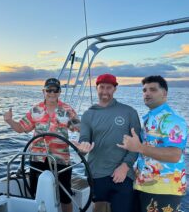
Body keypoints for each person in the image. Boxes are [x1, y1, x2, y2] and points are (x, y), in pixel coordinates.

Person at [3, 78, 79, 212]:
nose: (52, 93)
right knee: (36, 194)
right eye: (48, 90)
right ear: (43, 91)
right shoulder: (35, 110)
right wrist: (9, 121)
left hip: (61, 159)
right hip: (37, 158)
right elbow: (21, 128)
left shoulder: (67, 110)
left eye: (55, 90)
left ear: (60, 92)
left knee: (65, 196)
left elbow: (79, 128)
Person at [117, 75, 188, 212]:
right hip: (144, 184)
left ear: (164, 93)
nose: (147, 93)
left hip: (164, 189)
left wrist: (139, 147)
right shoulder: (151, 118)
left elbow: (174, 155)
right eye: (144, 90)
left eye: (153, 89)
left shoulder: (172, 119)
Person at [74, 73, 141, 212]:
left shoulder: (129, 112)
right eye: (102, 87)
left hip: (123, 174)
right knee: (98, 208)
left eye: (109, 88)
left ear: (115, 89)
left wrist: (125, 166)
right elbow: (84, 137)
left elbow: (137, 145)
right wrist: (83, 147)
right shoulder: (88, 114)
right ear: (96, 88)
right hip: (96, 173)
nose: (105, 91)